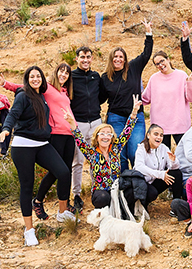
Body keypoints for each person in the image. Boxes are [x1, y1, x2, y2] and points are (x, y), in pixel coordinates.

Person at [0, 66, 73, 247]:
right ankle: (29, 230)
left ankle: (62, 213)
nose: (35, 79)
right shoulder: (23, 96)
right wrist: (6, 129)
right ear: (27, 79)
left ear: (42, 79)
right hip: (23, 145)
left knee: (63, 172)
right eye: (32, 77)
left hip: (42, 144)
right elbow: (13, 114)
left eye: (38, 76)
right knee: (27, 186)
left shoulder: (42, 96)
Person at [64, 95, 141, 210]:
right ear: (97, 137)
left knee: (132, 193)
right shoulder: (92, 153)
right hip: (100, 192)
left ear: (112, 137)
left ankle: (121, 210)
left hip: (116, 190)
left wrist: (134, 112)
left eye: (108, 134)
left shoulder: (115, 149)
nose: (105, 137)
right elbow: (79, 139)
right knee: (103, 198)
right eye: (102, 134)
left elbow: (127, 132)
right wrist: (72, 123)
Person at [101, 19, 153, 171]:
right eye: (115, 57)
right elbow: (100, 99)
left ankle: (137, 183)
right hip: (115, 118)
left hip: (136, 118)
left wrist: (148, 33)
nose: (118, 59)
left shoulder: (133, 68)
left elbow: (146, 54)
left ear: (125, 59)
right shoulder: (105, 78)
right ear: (111, 59)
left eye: (120, 56)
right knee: (119, 155)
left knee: (135, 152)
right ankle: (123, 186)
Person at [70, 46, 104, 211]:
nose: (85, 60)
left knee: (95, 158)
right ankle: (76, 194)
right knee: (78, 160)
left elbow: (101, 96)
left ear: (91, 58)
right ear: (77, 58)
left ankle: (96, 190)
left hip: (96, 122)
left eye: (88, 57)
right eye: (82, 57)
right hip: (79, 123)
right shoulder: (71, 76)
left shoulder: (95, 76)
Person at [141, 51, 192, 148]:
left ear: (168, 59)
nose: (160, 65)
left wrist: (190, 84)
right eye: (157, 64)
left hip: (180, 122)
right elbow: (145, 99)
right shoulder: (154, 78)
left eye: (162, 61)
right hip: (160, 124)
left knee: (185, 155)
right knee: (162, 157)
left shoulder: (182, 75)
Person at [133, 124, 184, 206]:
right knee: (152, 193)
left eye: (161, 135)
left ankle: (177, 204)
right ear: (148, 135)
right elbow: (139, 167)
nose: (159, 137)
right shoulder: (141, 148)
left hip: (156, 181)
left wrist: (173, 161)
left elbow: (175, 167)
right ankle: (140, 204)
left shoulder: (163, 148)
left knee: (176, 173)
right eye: (155, 134)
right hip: (142, 183)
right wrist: (160, 174)